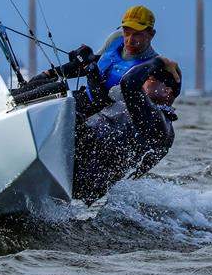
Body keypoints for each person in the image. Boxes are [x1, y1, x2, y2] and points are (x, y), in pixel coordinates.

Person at [73, 54, 181, 205]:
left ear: (166, 91)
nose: (143, 83)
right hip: (84, 166)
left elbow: (129, 82)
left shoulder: (157, 121)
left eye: (149, 80)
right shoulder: (141, 109)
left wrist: (160, 60)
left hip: (82, 169)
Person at [30, 5, 159, 117]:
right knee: (42, 89)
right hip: (82, 99)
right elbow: (91, 64)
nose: (129, 40)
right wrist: (49, 73)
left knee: (60, 98)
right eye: (127, 32)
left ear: (151, 34)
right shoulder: (116, 39)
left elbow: (102, 102)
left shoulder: (151, 68)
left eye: (137, 34)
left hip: (103, 117)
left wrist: (89, 68)